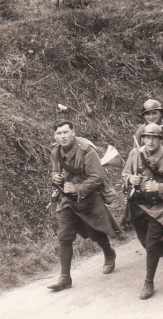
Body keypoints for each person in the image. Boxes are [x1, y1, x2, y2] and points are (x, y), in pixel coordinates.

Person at [47, 120, 120, 291]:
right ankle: (65, 277)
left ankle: (109, 253)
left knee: (94, 231)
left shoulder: (86, 149)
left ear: (73, 132)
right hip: (67, 198)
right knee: (64, 236)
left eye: (66, 132)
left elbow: (97, 177)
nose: (62, 137)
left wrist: (77, 188)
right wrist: (56, 178)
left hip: (88, 197)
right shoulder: (55, 151)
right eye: (59, 133)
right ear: (54, 136)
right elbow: (54, 170)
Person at [123, 123, 163, 300]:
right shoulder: (135, 154)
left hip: (162, 207)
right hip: (139, 205)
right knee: (145, 242)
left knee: (151, 245)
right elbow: (125, 174)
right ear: (142, 138)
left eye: (155, 138)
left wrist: (160, 187)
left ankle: (149, 282)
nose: (150, 141)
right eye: (147, 137)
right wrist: (131, 178)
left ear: (160, 139)